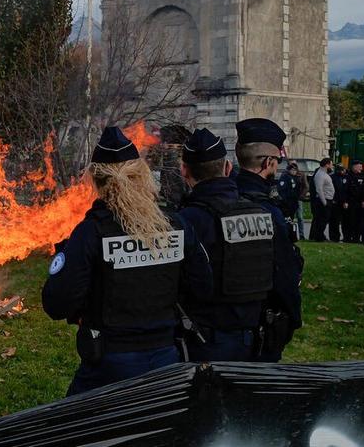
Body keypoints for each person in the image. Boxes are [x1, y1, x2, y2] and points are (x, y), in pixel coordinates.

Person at [42, 126, 212, 396]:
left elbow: (56, 304)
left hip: (109, 365)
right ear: (142, 175)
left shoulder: (91, 233)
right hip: (167, 358)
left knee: (76, 420)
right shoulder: (175, 226)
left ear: (96, 181)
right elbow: (202, 288)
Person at [179, 128, 275, 362]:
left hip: (205, 340)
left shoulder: (186, 221)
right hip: (257, 336)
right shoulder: (261, 212)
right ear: (228, 167)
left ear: (184, 171)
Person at [234, 118, 303, 362]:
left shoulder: (224, 197)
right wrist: (293, 317)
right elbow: (283, 271)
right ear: (267, 162)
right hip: (261, 323)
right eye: (277, 161)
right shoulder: (268, 210)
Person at [310, 158, 335, 242]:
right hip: (323, 201)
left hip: (328, 199)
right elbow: (319, 189)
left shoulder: (324, 173)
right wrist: (324, 202)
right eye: (331, 164)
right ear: (326, 165)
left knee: (324, 219)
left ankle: (320, 236)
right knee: (321, 220)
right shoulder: (320, 175)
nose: (332, 166)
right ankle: (319, 237)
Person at [344, 160, 364, 244]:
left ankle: (358, 238)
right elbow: (346, 190)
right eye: (359, 166)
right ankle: (350, 238)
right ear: (354, 167)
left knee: (360, 222)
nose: (361, 168)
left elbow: (363, 190)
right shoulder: (348, 176)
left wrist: (363, 200)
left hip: (360, 203)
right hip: (351, 202)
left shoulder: (363, 176)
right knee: (351, 221)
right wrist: (345, 201)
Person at [277, 162, 301, 240]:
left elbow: (297, 190)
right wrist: (285, 202)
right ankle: (285, 235)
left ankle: (290, 235)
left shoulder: (296, 178)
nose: (294, 171)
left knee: (291, 220)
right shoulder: (285, 177)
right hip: (286, 203)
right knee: (286, 220)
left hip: (293, 203)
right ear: (289, 170)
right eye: (292, 170)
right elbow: (282, 190)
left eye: (295, 170)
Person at [329, 165, 348, 242]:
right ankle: (334, 237)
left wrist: (345, 201)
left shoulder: (346, 177)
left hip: (344, 202)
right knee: (334, 221)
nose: (343, 171)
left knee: (345, 221)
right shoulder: (332, 178)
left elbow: (346, 190)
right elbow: (331, 189)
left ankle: (346, 237)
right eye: (342, 170)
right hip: (335, 201)